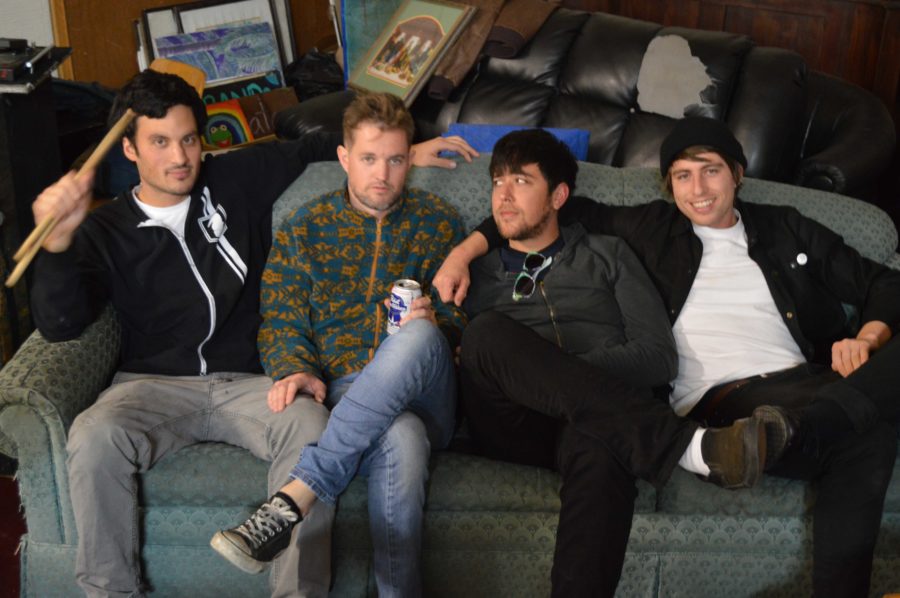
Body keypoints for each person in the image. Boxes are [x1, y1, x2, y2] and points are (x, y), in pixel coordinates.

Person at [29, 70, 476, 598]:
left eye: (189, 139)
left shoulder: (234, 178)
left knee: (310, 423)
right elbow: (60, 326)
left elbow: (317, 141)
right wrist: (55, 247)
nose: (180, 157)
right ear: (129, 149)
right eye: (160, 142)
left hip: (250, 382)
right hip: (151, 385)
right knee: (92, 432)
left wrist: (399, 152)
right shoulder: (105, 230)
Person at [434, 117, 900, 598]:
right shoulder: (650, 228)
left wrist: (868, 335)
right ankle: (699, 446)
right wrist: (462, 252)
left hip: (798, 388)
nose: (697, 189)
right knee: (869, 435)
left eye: (711, 171)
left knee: (867, 435)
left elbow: (884, 282)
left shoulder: (786, 227)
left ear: (737, 173)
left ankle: (805, 428)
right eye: (682, 175)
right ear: (669, 185)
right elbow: (526, 213)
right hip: (710, 400)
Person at [209, 91, 467, 597]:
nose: (383, 175)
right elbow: (280, 318)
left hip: (428, 389)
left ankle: (295, 497)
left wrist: (439, 321)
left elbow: (461, 316)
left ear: (408, 156)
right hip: (345, 395)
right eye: (369, 159)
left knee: (418, 334)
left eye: (396, 159)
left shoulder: (439, 221)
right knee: (403, 438)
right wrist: (295, 368)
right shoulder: (305, 230)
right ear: (344, 157)